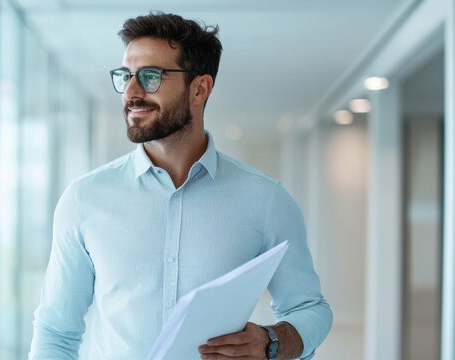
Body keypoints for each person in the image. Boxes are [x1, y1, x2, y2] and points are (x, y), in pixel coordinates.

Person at [29, 12, 332, 360]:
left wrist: (271, 341)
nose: (131, 92)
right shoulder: (84, 200)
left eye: (150, 76)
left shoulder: (266, 200)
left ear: (199, 88)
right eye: (125, 76)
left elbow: (310, 309)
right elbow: (55, 331)